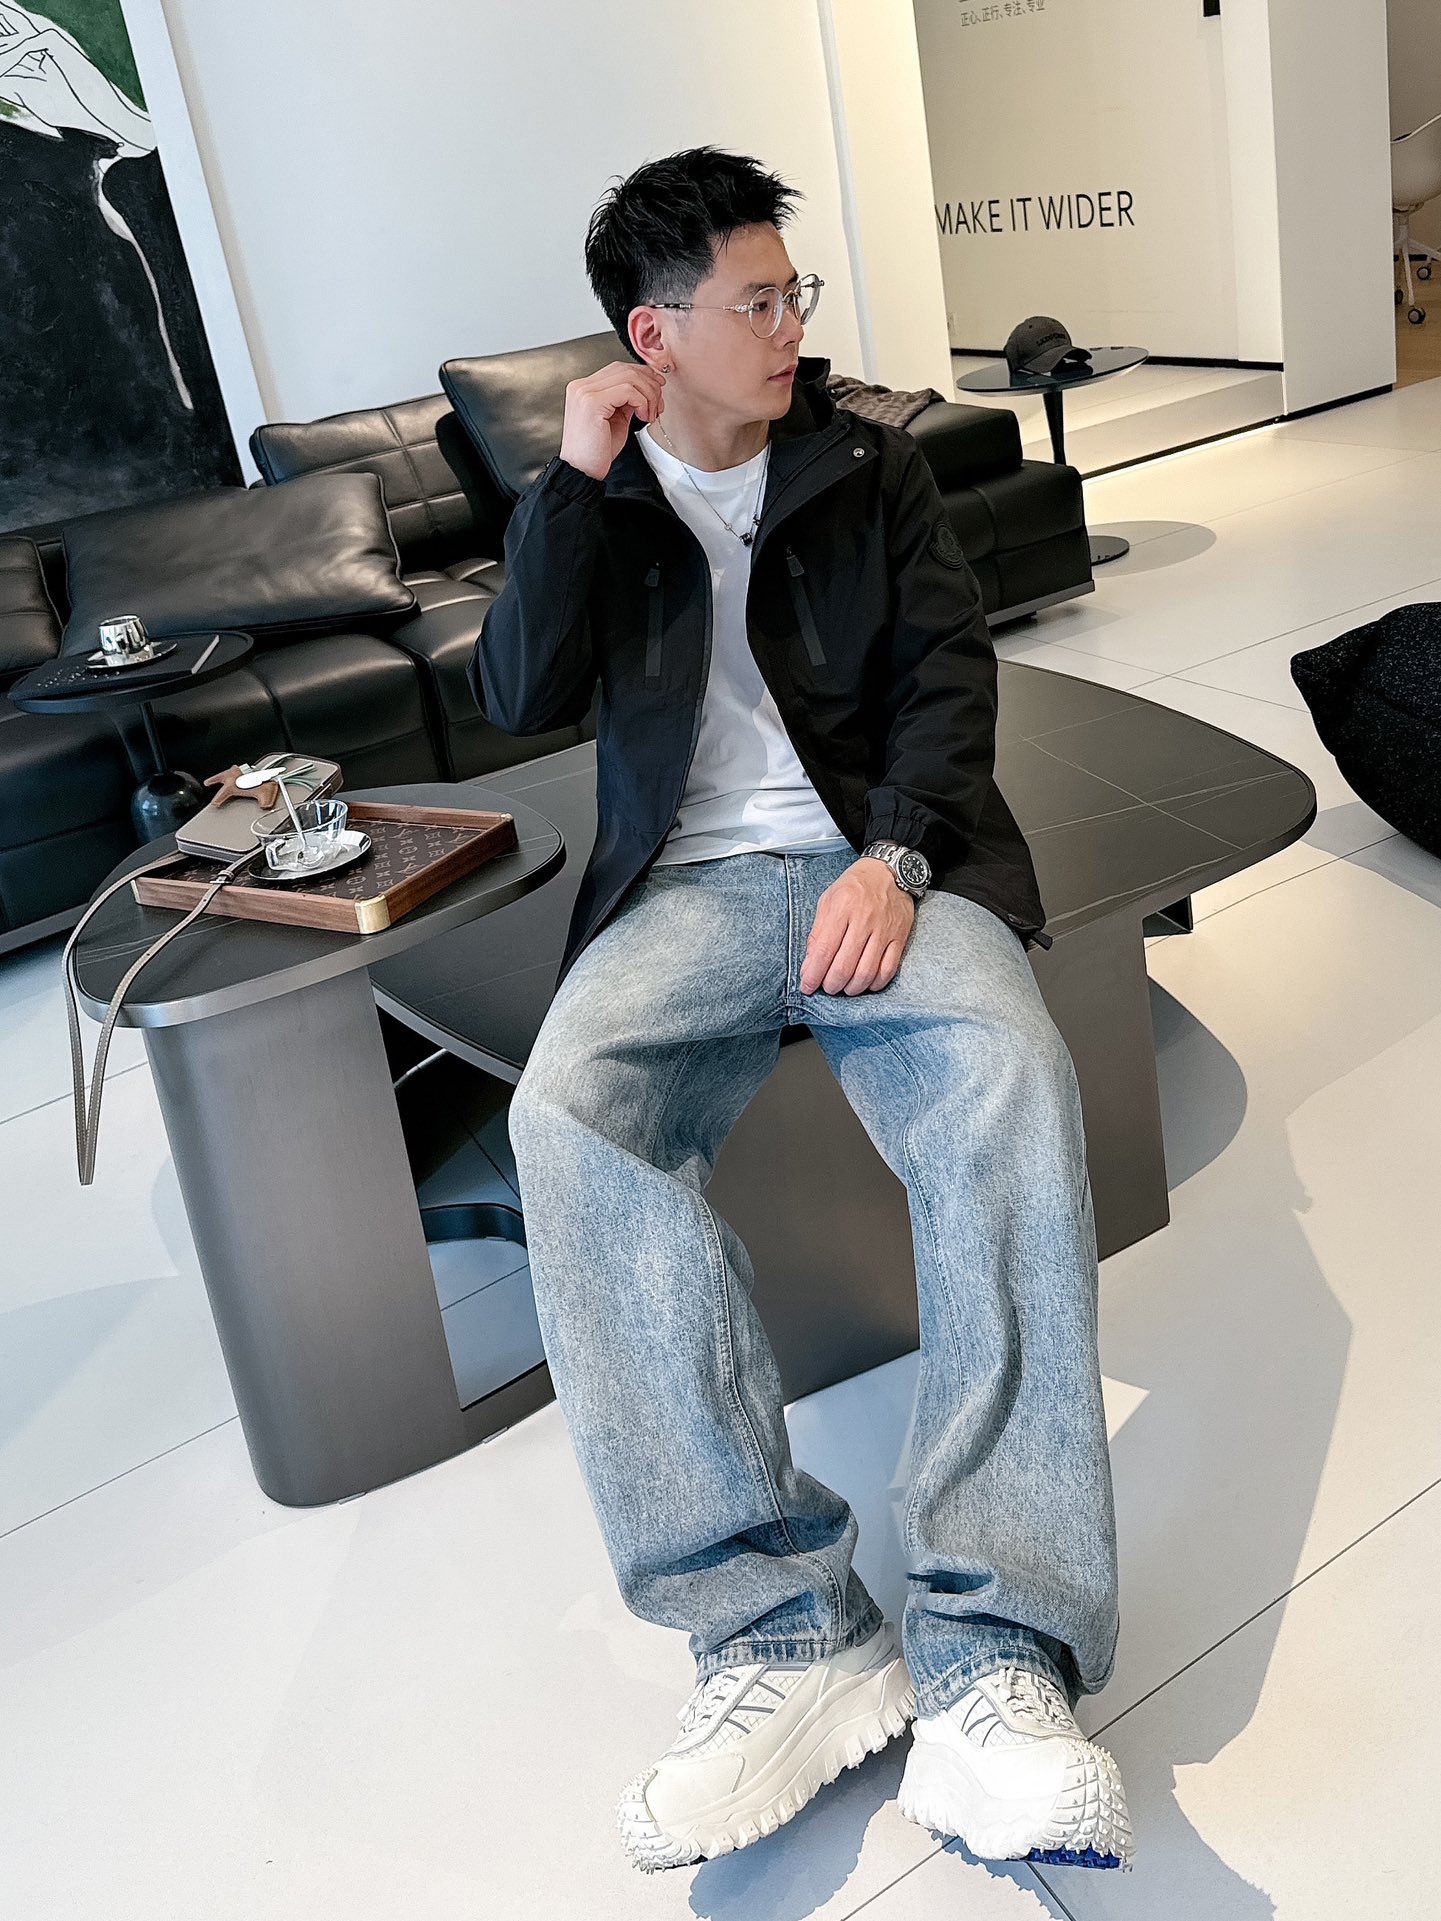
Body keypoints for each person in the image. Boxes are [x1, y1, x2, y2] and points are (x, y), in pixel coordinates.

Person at [470, 146, 1133, 1878]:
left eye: (792, 294)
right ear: (653, 332)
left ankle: (997, 1649)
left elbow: (947, 680)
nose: (789, 328)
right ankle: (780, 1625)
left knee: (1005, 1072)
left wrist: (896, 860)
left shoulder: (866, 463)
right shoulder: (602, 493)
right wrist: (567, 485)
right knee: (565, 1115)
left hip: (880, 859)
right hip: (683, 890)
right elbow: (517, 692)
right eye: (753, 302)